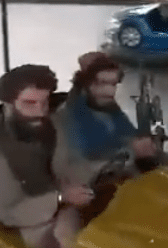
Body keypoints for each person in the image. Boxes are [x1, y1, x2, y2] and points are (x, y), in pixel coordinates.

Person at [0, 64, 90, 248]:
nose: (40, 112)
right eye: (29, 103)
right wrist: (60, 198)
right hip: (31, 223)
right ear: (9, 104)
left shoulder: (52, 125)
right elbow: (10, 212)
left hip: (69, 200)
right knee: (82, 239)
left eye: (45, 102)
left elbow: (71, 162)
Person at [52, 52, 158, 188]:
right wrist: (132, 151)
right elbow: (77, 161)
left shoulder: (109, 108)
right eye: (102, 83)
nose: (110, 91)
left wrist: (143, 144)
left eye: (113, 84)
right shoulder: (68, 116)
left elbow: (128, 133)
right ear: (87, 84)